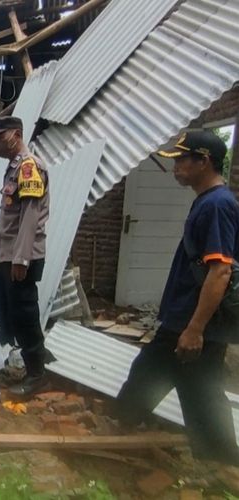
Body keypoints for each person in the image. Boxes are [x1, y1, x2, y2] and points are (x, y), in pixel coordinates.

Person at [116, 130, 239, 466]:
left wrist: (195, 328)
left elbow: (220, 272)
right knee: (159, 373)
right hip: (185, 318)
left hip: (194, 321)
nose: (177, 166)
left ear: (205, 161)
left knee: (199, 390)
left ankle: (221, 464)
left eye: (184, 160)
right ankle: (125, 419)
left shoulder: (217, 206)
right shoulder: (208, 201)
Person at [0, 116, 50, 397]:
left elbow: (29, 218)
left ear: (17, 134)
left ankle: (37, 373)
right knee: (0, 304)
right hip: (7, 255)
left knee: (24, 315)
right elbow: (7, 218)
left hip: (22, 257)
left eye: (0, 137)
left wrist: (20, 260)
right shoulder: (12, 168)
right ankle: (14, 359)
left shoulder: (29, 167)